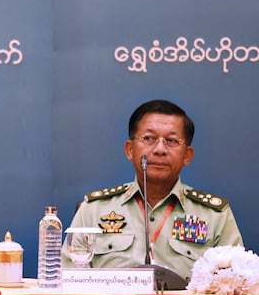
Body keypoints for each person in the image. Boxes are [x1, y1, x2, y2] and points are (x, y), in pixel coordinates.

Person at [61, 99, 242, 280]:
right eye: (148, 138)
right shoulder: (94, 210)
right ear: (130, 149)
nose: (160, 149)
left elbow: (234, 286)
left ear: (187, 155)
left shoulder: (215, 215)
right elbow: (68, 284)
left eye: (171, 140)